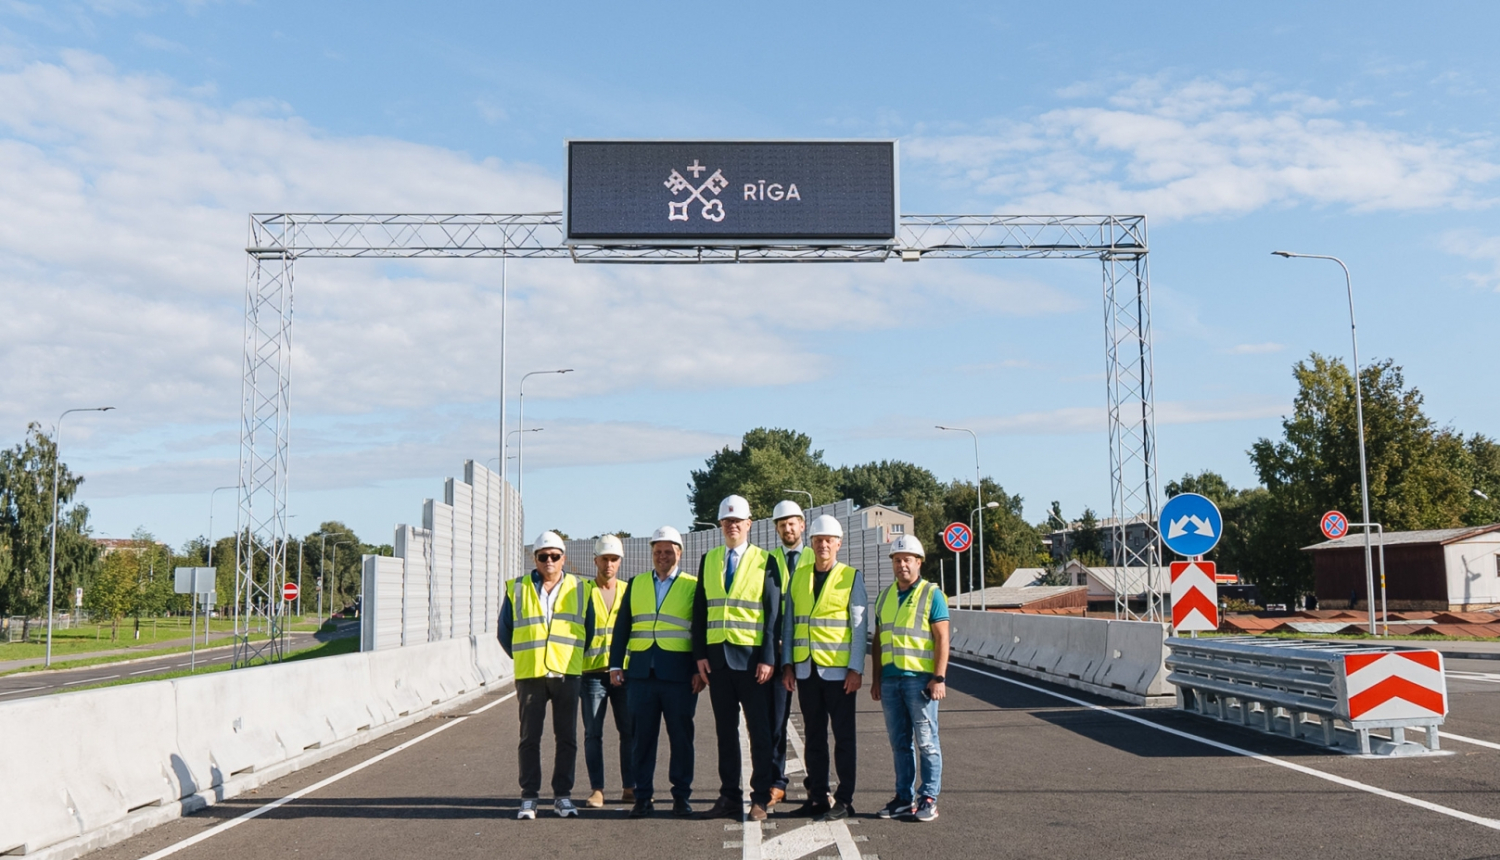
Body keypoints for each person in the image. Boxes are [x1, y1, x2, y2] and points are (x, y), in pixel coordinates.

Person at [693, 494, 782, 821]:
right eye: (727, 521)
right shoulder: (709, 559)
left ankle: (759, 797)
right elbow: (700, 612)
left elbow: (773, 614)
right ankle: (729, 796)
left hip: (752, 662)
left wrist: (768, 657)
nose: (732, 526)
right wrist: (700, 655)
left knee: (759, 732)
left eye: (737, 521)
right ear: (721, 524)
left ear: (749, 525)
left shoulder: (765, 560)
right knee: (725, 733)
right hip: (718, 662)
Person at [498, 531, 595, 820]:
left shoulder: (581, 588)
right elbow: (505, 632)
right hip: (531, 674)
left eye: (554, 556)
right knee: (529, 738)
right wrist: (525, 657)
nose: (549, 561)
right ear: (535, 559)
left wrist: (569, 657)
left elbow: (588, 631)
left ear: (563, 558)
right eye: (543, 556)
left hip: (566, 673)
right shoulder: (517, 588)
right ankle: (529, 797)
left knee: (566, 737)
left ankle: (563, 796)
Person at [610, 526, 704, 818]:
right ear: (652, 553)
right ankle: (642, 797)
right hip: (641, 675)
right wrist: (616, 664)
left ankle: (681, 796)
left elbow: (699, 631)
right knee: (641, 740)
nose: (663, 556)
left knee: (681, 739)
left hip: (679, 676)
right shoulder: (636, 583)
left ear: (679, 553)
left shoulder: (693, 585)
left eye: (668, 551)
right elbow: (622, 626)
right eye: (658, 551)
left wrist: (698, 670)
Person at [781, 514, 866, 821]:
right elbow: (789, 624)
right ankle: (817, 796)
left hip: (839, 673)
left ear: (838, 544)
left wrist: (856, 669)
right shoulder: (799, 576)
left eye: (828, 541)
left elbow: (859, 627)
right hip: (806, 670)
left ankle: (844, 799)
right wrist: (787, 664)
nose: (823, 546)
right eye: (818, 541)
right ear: (812, 543)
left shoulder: (850, 577)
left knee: (843, 738)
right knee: (814, 737)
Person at [870, 535, 948, 823]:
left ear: (919, 562)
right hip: (891, 680)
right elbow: (878, 641)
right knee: (899, 743)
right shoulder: (884, 597)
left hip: (920, 681)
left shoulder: (932, 594)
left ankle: (928, 798)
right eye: (897, 560)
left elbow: (942, 638)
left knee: (926, 742)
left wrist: (939, 677)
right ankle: (903, 798)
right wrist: (876, 678)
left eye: (907, 560)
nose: (902, 565)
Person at [581, 534, 634, 808]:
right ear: (595, 560)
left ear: (620, 561)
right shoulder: (583, 591)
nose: (609, 564)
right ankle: (597, 790)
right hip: (592, 673)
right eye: (604, 559)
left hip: (623, 673)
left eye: (614, 559)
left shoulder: (630, 590)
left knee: (629, 731)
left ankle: (630, 787)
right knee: (593, 733)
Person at [765, 499, 807, 810]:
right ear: (776, 529)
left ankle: (818, 785)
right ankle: (776, 783)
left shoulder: (816, 556)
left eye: (792, 523)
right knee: (776, 722)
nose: (787, 529)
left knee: (815, 725)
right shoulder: (768, 562)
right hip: (778, 651)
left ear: (802, 525)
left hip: (810, 652)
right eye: (782, 525)